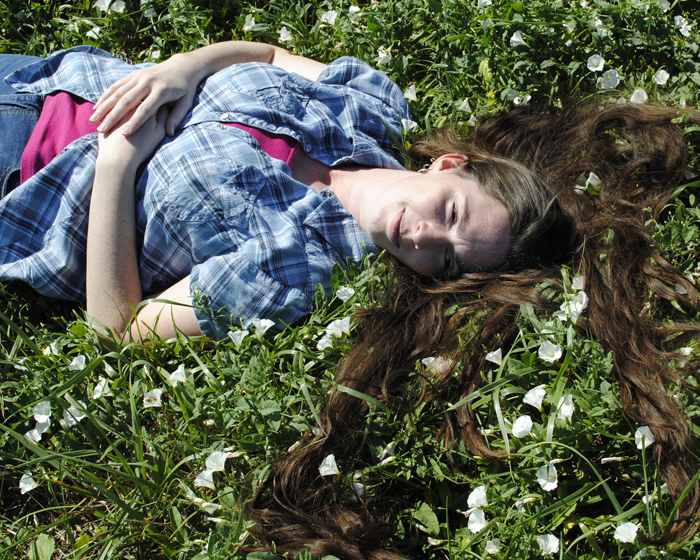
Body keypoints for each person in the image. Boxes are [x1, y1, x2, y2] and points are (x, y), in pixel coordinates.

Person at [0, 42, 564, 343]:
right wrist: (183, 68)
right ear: (447, 165)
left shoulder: (294, 272)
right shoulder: (371, 108)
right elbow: (267, 55)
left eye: (445, 260)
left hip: (22, 179)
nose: (423, 236)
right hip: (51, 77)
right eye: (449, 212)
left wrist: (118, 161)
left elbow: (116, 327)